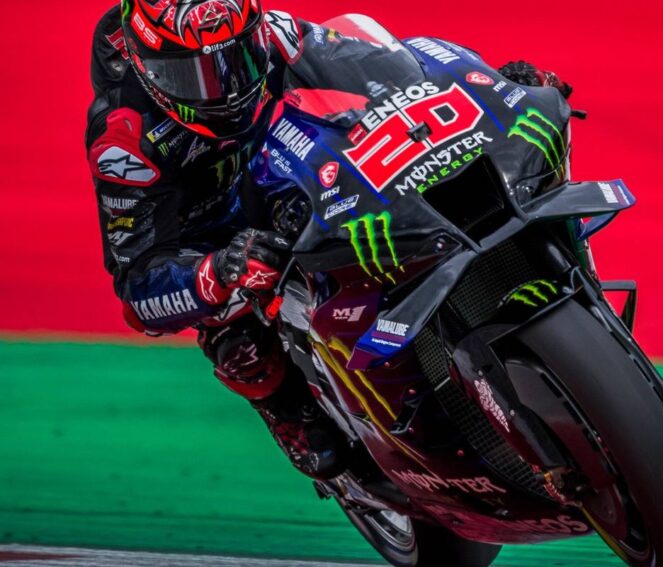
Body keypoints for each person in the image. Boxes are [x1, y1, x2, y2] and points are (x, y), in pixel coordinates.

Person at [86, 0, 571, 480]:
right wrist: (215, 273)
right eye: (192, 75)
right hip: (221, 232)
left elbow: (390, 67)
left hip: (301, 175)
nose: (226, 86)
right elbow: (138, 286)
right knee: (240, 342)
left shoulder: (277, 33)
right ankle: (284, 407)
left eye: (237, 57)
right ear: (147, 68)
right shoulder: (124, 140)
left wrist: (491, 88)